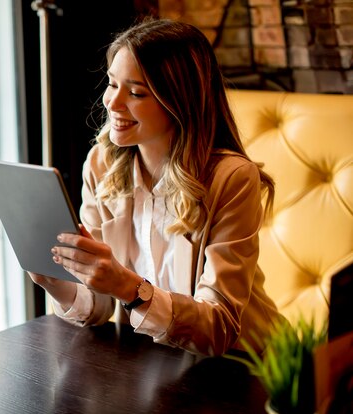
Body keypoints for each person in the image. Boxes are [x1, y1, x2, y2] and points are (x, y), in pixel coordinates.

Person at [29, 17, 283, 356]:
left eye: (135, 92)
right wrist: (55, 281)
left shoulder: (232, 178)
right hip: (155, 363)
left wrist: (128, 286)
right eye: (111, 84)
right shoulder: (101, 164)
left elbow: (219, 327)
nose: (112, 103)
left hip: (246, 366)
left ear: (178, 102)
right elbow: (100, 308)